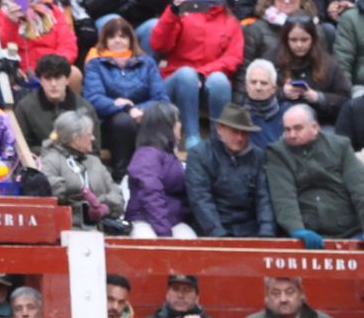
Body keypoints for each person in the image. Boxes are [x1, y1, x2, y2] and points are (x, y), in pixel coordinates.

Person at [149, 0, 242, 147]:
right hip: (178, 83)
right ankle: (192, 138)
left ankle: (219, 140)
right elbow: (158, 44)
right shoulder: (182, 14)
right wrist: (173, 13)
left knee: (219, 80)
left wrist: (203, 73)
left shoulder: (230, 21)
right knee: (186, 74)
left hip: (209, 84)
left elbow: (233, 57)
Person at [266, 103, 364, 244]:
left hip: (349, 230)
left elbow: (361, 190)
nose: (292, 135)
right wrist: (296, 229)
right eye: (287, 129)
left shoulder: (340, 146)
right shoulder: (277, 153)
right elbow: (284, 197)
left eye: (298, 128)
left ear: (315, 127)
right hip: (304, 233)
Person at [82, 16, 166, 173]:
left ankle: (157, 170)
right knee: (123, 121)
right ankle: (123, 171)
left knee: (163, 115)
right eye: (112, 37)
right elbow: (93, 98)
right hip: (110, 121)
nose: (117, 40)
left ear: (130, 40)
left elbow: (161, 98)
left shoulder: (147, 63)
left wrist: (140, 110)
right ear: (105, 40)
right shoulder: (95, 64)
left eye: (122, 36)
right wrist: (125, 109)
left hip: (143, 117)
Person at [185, 102, 278, 236]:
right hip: (212, 231)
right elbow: (200, 199)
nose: (240, 138)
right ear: (219, 129)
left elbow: (264, 198)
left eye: (244, 133)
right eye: (235, 132)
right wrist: (219, 235)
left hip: (250, 230)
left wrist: (266, 234)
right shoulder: (199, 154)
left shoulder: (258, 156)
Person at [0, 0, 79, 81]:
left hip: (53, 67)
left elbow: (68, 43)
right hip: (23, 74)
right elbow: (3, 49)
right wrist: (12, 22)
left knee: (74, 74)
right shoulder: (2, 15)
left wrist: (53, 66)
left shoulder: (51, 11)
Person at [39, 110, 125, 228]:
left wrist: (100, 205)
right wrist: (84, 200)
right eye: (89, 134)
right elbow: (49, 188)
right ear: (75, 138)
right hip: (66, 230)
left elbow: (117, 195)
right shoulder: (51, 160)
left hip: (101, 230)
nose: (93, 138)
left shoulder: (95, 162)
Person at [125, 101, 196, 238]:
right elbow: (151, 195)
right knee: (149, 243)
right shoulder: (147, 155)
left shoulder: (169, 155)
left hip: (172, 221)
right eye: (176, 120)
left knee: (190, 243)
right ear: (165, 126)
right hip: (144, 220)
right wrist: (165, 234)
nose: (180, 125)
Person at [275, 17, 351, 125]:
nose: (299, 45)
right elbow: (260, 94)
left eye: (304, 40)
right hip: (283, 123)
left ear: (313, 39)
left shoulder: (329, 64)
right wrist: (283, 93)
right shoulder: (275, 62)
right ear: (286, 40)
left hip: (321, 123)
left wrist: (317, 97)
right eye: (293, 40)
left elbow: (345, 100)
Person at [14, 53, 96, 150]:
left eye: (58, 78)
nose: (53, 84)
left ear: (67, 80)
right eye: (48, 78)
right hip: (41, 162)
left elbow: (94, 149)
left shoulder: (85, 108)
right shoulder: (25, 108)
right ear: (41, 81)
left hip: (80, 162)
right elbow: (23, 149)